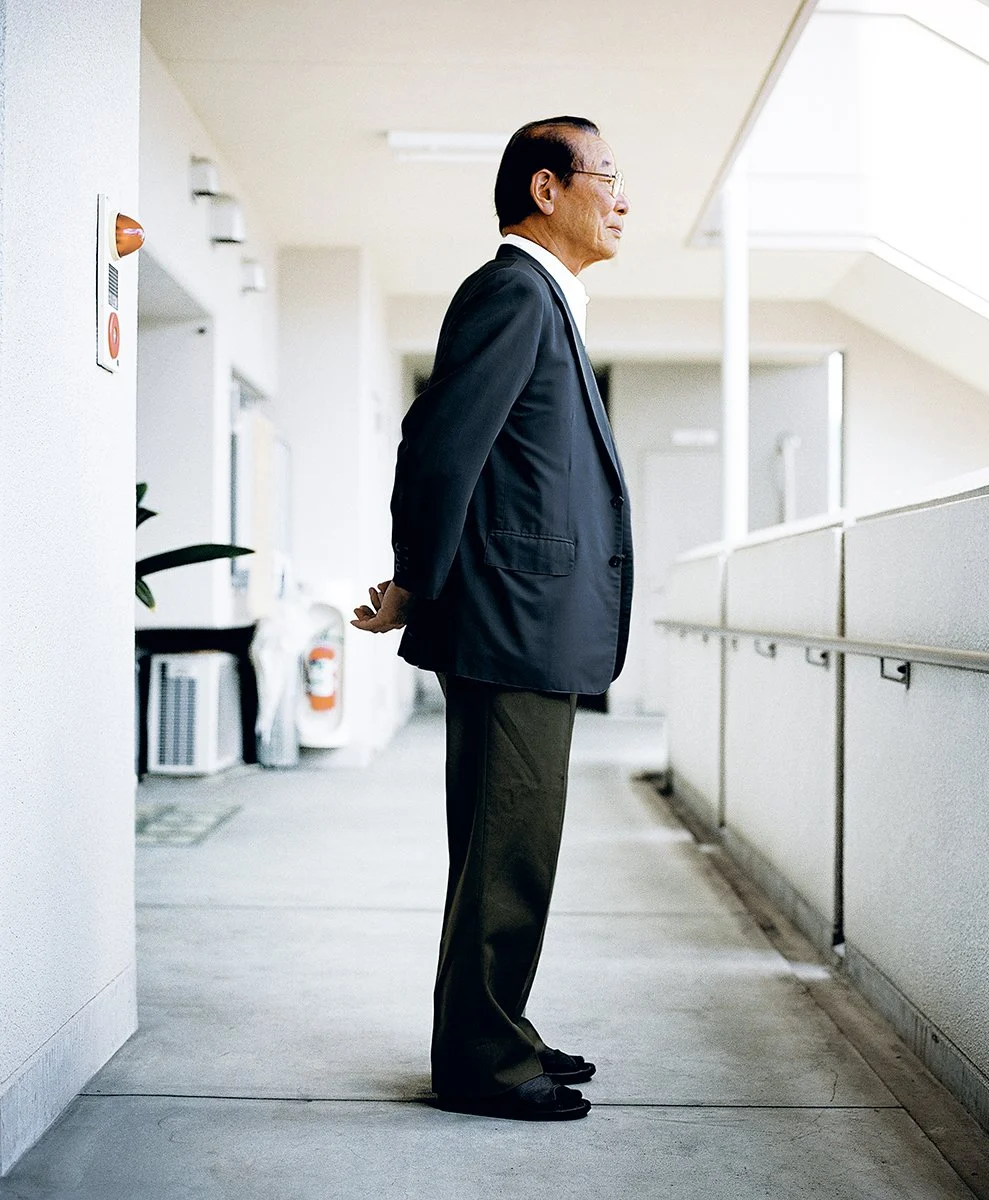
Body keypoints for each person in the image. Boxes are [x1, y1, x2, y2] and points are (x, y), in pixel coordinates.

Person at [351, 116, 633, 1121]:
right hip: (509, 623)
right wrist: (413, 580)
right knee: (504, 848)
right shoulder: (513, 291)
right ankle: (479, 1060)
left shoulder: (546, 300)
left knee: (513, 845)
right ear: (548, 189)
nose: (624, 198)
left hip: (527, 621)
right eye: (607, 175)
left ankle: (498, 1028)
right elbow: (439, 445)